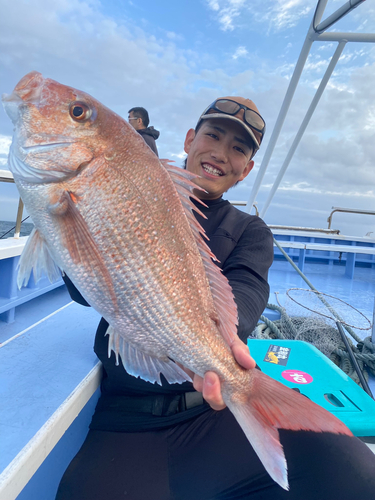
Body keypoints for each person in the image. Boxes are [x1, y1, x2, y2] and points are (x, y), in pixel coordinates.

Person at [56, 97, 375, 500]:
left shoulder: (249, 230)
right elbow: (81, 292)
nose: (221, 153)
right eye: (213, 135)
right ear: (190, 140)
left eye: (239, 148)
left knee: (358, 474)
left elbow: (247, 291)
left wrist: (215, 346)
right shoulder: (136, 197)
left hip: (216, 412)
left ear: (248, 169)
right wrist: (69, 224)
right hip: (128, 418)